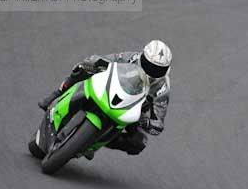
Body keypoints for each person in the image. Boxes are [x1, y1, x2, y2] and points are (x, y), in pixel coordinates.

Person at [38, 40, 172, 156]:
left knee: (138, 142)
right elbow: (108, 59)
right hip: (112, 89)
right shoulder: (131, 58)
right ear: (142, 56)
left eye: (158, 69)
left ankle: (94, 142)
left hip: (132, 110)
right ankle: (59, 93)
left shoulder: (162, 88)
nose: (152, 71)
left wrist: (148, 123)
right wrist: (93, 63)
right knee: (82, 68)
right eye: (149, 65)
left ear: (166, 70)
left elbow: (159, 120)